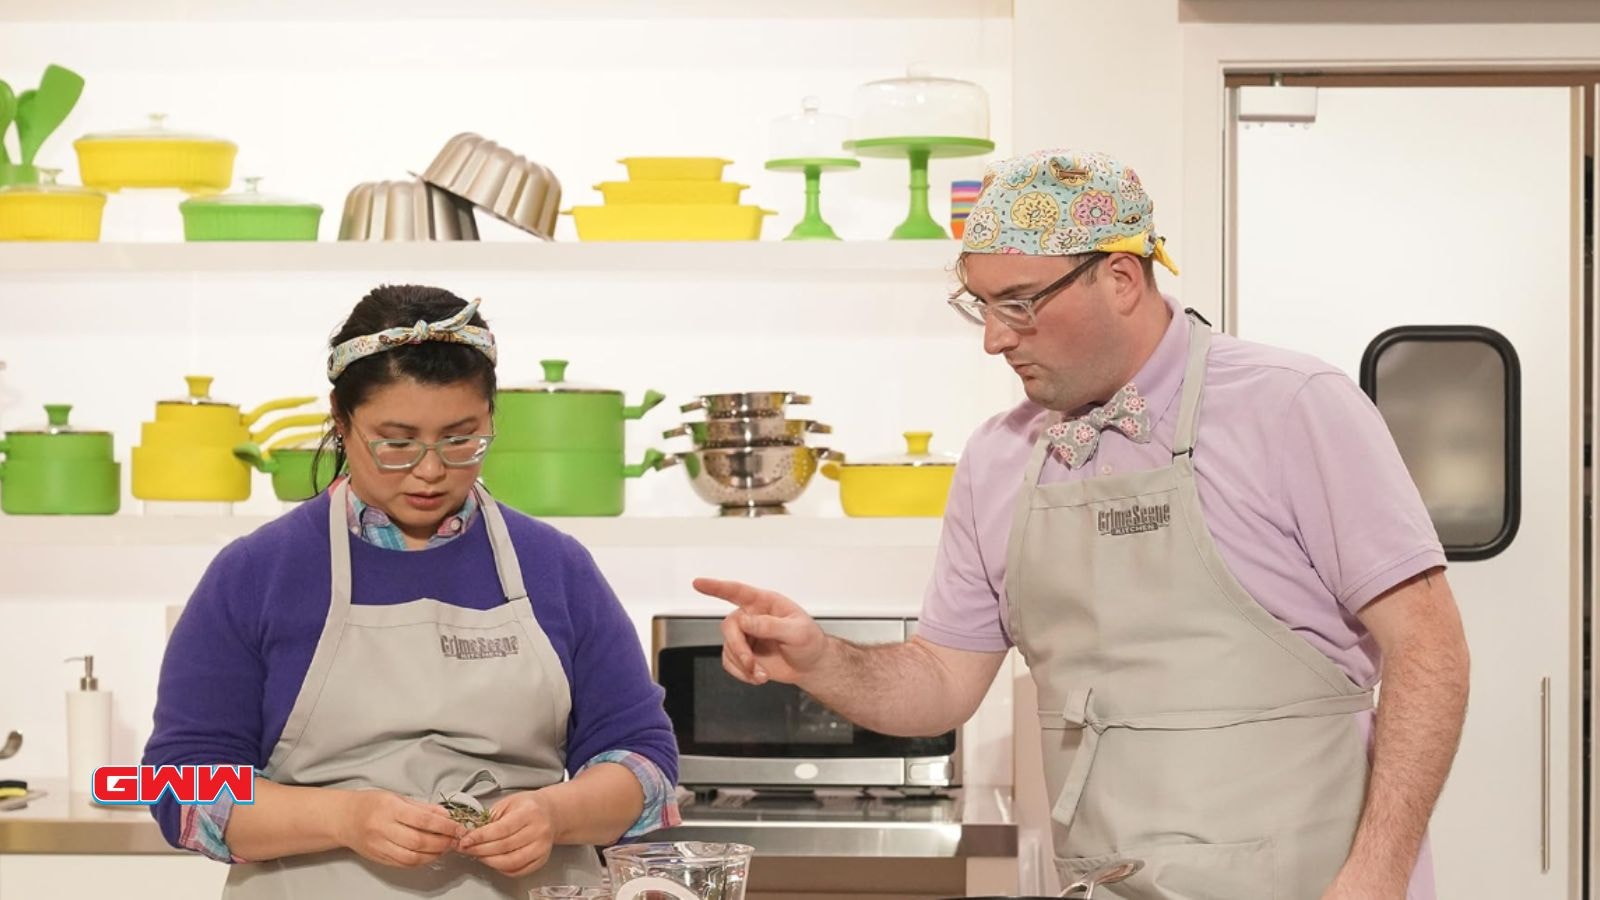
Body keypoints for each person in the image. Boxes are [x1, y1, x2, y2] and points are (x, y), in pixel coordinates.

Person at [698, 150, 1469, 899]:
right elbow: (939, 683)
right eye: (980, 304)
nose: (995, 337)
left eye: (1019, 303)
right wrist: (820, 660)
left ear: (1123, 278)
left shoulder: (1294, 406)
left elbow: (1429, 648)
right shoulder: (998, 458)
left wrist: (1377, 874)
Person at [144, 286, 678, 897]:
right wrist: (343, 818)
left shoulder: (556, 567)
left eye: (461, 438)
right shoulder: (256, 572)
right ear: (342, 424)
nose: (430, 469)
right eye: (396, 442)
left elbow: (644, 763)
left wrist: (556, 814)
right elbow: (177, 786)